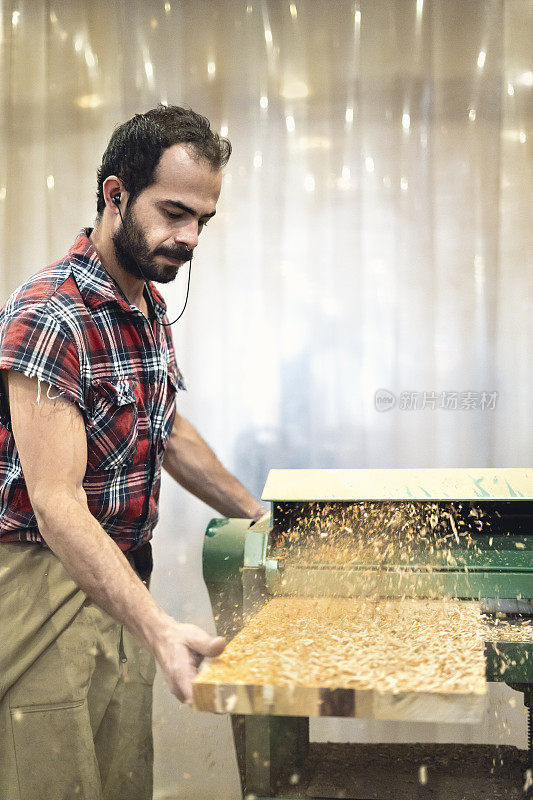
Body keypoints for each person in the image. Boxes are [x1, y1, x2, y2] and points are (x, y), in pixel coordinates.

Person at [0, 105, 265, 800]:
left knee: (121, 782)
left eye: (202, 221)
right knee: (55, 782)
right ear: (115, 194)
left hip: (117, 583)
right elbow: (56, 506)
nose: (190, 237)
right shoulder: (49, 314)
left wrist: (261, 517)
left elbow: (165, 428)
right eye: (175, 212)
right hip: (41, 584)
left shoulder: (142, 300)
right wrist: (158, 627)